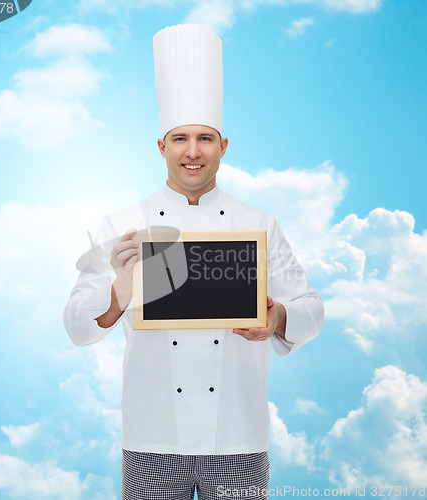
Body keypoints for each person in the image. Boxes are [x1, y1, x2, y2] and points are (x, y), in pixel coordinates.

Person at [64, 24, 324, 500]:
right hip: (149, 438)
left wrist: (278, 315)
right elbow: (77, 326)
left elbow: (311, 307)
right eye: (180, 138)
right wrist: (119, 295)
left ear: (223, 146)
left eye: (205, 138)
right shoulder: (124, 223)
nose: (192, 151)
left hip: (240, 439)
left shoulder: (258, 223)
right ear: (161, 146)